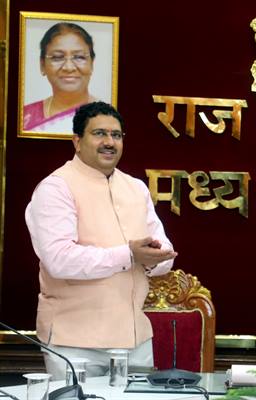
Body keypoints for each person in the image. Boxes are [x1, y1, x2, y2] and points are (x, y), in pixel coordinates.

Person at [25, 101, 178, 379]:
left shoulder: (136, 188)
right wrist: (129, 255)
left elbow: (163, 250)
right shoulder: (56, 188)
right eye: (99, 134)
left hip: (135, 340)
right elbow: (59, 260)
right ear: (77, 141)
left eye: (116, 135)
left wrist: (153, 259)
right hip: (74, 343)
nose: (109, 142)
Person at [23, 22, 97, 132]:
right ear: (42, 65)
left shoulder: (107, 117)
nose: (69, 67)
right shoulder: (24, 118)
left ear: (91, 64)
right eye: (57, 57)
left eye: (79, 57)